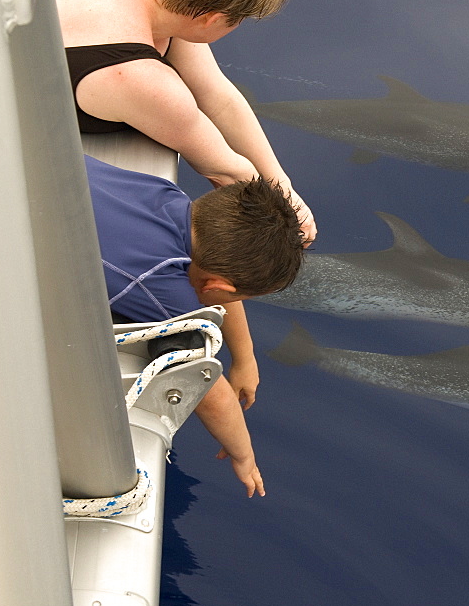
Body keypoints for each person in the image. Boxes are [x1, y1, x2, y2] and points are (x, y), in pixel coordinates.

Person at [86, 154, 305, 497]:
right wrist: (243, 454)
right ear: (215, 288)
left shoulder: (169, 196)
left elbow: (221, 292)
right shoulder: (160, 282)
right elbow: (207, 389)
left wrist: (245, 358)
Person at [56, 0, 317, 245]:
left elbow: (219, 98)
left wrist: (284, 187)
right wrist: (289, 216)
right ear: (211, 19)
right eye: (238, 20)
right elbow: (228, 171)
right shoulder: (142, 78)